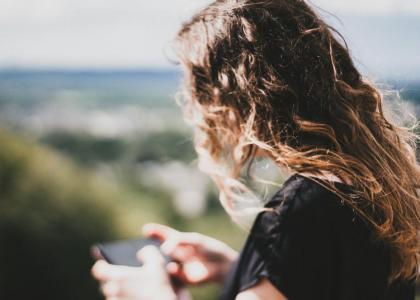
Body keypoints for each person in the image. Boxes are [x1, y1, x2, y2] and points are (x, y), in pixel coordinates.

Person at [91, 0, 420, 299]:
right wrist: (237, 269)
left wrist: (153, 295)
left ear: (230, 95)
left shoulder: (304, 206)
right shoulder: (374, 194)